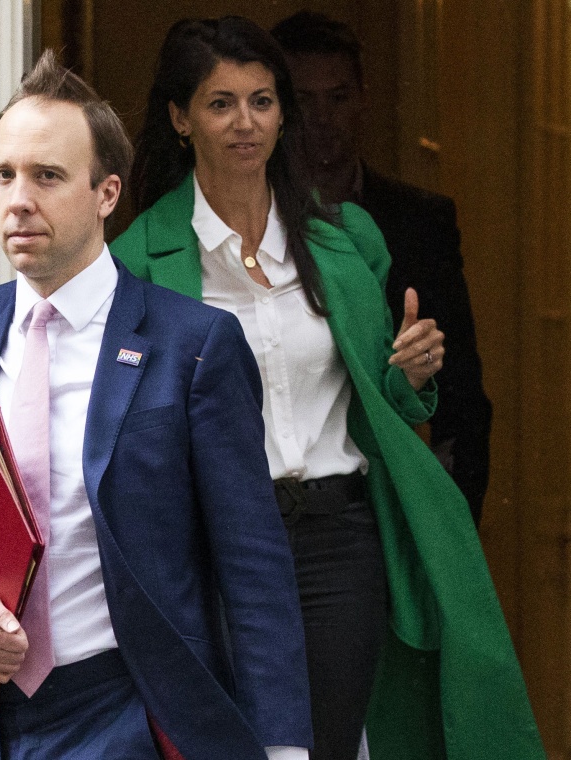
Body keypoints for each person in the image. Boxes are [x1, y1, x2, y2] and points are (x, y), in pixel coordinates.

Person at [0, 50, 313, 760]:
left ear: (106, 194)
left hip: (139, 711)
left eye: (46, 176)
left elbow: (253, 566)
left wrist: (284, 747)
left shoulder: (192, 344)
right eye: (3, 175)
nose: (18, 199)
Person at [111, 16, 545, 760]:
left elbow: (377, 400)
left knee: (325, 746)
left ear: (282, 113)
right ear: (181, 118)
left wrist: (407, 376)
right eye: (220, 104)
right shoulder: (139, 263)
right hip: (216, 544)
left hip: (339, 540)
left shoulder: (344, 241)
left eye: (262, 100)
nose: (245, 123)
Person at [270, 11, 493, 525]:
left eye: (339, 97)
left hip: (400, 493)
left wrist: (449, 523)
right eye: (304, 100)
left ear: (363, 100)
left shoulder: (421, 220)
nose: (323, 118)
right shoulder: (250, 226)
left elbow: (462, 398)